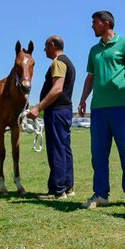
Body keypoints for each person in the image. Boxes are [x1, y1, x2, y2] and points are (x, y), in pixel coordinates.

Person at [78, 10, 125, 209]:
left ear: (106, 24)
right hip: (98, 110)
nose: (92, 26)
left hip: (121, 108)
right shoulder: (94, 50)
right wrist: (82, 100)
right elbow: (90, 77)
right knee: (98, 156)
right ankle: (100, 195)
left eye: (94, 23)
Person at [27, 35, 76, 200]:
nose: (44, 49)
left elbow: (57, 89)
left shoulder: (58, 62)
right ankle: (68, 187)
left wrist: (38, 107)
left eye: (45, 46)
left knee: (56, 149)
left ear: (52, 45)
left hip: (56, 111)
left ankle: (58, 190)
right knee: (64, 148)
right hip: (65, 110)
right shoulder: (68, 61)